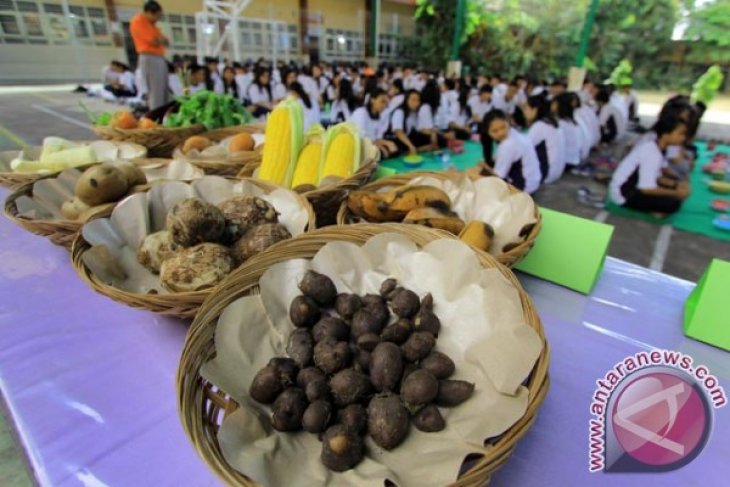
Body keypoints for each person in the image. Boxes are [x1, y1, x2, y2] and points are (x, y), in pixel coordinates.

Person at [609, 115, 689, 216]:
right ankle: (650, 209)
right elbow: (646, 189)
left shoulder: (659, 147)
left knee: (676, 193)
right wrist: (676, 193)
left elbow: (657, 177)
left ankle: (654, 207)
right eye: (680, 134)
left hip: (635, 187)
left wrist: (676, 184)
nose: (683, 138)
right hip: (625, 194)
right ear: (666, 135)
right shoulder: (652, 153)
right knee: (673, 203)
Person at [480, 109, 541, 194]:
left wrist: (485, 168)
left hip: (524, 189)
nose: (500, 133)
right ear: (488, 132)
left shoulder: (507, 145)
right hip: (534, 182)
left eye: (503, 127)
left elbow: (499, 176)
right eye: (495, 131)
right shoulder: (515, 133)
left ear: (508, 122)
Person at [130, 1, 169, 110]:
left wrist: (161, 40)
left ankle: (164, 114)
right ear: (148, 12)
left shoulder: (152, 26)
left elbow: (166, 42)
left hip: (159, 58)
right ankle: (156, 117)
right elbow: (155, 41)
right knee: (155, 91)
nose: (158, 19)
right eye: (157, 15)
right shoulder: (138, 21)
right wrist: (160, 40)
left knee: (163, 90)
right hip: (149, 57)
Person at [523, 95, 565, 183]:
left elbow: (522, 148)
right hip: (557, 171)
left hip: (546, 174)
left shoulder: (539, 126)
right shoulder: (553, 122)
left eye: (526, 108)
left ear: (535, 110)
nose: (524, 112)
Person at [349, 88, 398, 158]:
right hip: (355, 146)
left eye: (386, 103)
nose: (384, 105)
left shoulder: (379, 116)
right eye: (382, 102)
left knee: (393, 147)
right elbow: (361, 139)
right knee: (379, 152)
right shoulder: (361, 113)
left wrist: (388, 143)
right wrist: (380, 146)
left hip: (369, 145)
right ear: (372, 100)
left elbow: (376, 138)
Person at [387, 89, 433, 156]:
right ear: (406, 100)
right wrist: (410, 145)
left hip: (406, 137)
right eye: (413, 100)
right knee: (398, 147)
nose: (416, 103)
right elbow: (398, 132)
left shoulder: (412, 113)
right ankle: (413, 150)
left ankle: (416, 149)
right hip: (395, 139)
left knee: (426, 137)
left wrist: (432, 133)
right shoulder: (399, 112)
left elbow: (419, 129)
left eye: (418, 100)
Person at [553, 92, 583, 170]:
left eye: (555, 103)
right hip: (573, 160)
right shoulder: (572, 122)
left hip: (566, 162)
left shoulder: (561, 123)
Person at [417, 80, 448, 148]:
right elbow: (424, 129)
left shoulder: (432, 107)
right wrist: (438, 134)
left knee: (445, 136)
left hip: (430, 131)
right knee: (442, 140)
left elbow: (434, 126)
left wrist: (442, 133)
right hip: (422, 134)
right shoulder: (425, 107)